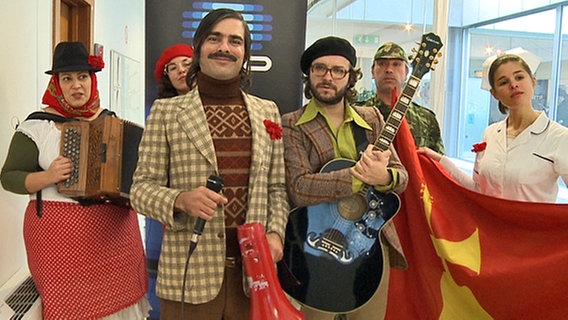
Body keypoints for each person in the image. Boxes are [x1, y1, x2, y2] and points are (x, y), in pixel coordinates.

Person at [130, 8, 289, 320]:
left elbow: (277, 187)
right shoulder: (166, 112)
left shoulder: (267, 111)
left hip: (253, 275)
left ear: (245, 53)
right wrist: (180, 199)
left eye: (235, 41)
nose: (224, 48)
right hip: (189, 278)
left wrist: (276, 235)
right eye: (215, 38)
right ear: (199, 46)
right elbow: (139, 190)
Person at [0, 41, 149, 319]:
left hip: (115, 238)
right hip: (58, 244)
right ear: (56, 84)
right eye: (67, 78)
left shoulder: (111, 123)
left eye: (83, 77)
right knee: (66, 309)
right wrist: (48, 176)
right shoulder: (36, 126)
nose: (76, 85)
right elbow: (8, 178)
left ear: (92, 80)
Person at [281, 36, 409, 320]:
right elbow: (300, 187)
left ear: (351, 76)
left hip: (370, 243)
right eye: (320, 68)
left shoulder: (373, 118)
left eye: (338, 70)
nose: (328, 77)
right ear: (309, 74)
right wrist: (359, 176)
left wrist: (385, 176)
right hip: (315, 246)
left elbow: (403, 178)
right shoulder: (291, 124)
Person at [418, 54, 568, 203]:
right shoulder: (490, 133)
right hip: (489, 226)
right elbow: (478, 189)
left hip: (532, 226)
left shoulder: (559, 137)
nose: (513, 85)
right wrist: (439, 160)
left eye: (519, 77)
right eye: (503, 82)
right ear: (494, 93)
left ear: (533, 82)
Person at [146, 42, 194, 320]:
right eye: (172, 68)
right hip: (173, 210)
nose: (179, 72)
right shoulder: (162, 111)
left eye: (185, 64)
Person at [357, 42, 446, 154]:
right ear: (372, 71)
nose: (389, 70)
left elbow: (437, 165)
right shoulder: (356, 113)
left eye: (396, 64)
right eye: (382, 64)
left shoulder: (426, 119)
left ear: (406, 72)